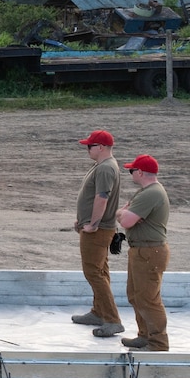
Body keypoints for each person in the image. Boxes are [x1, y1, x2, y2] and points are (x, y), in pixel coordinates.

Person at [70, 130, 125, 337]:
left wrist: (92, 224)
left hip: (98, 230)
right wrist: (83, 219)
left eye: (89, 146)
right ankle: (99, 312)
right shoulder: (103, 166)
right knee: (100, 272)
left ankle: (112, 320)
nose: (87, 150)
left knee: (94, 273)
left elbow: (102, 198)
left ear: (100, 147)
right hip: (99, 227)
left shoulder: (105, 169)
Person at [116, 155, 171, 351]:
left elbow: (125, 220)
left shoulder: (150, 194)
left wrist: (123, 214)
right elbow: (127, 215)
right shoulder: (147, 192)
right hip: (142, 250)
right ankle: (145, 335)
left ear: (140, 172)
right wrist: (125, 214)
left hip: (149, 251)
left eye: (132, 170)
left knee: (148, 298)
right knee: (136, 295)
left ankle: (158, 343)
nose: (131, 174)